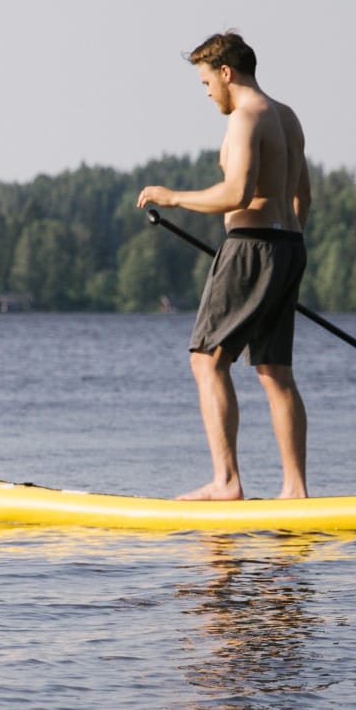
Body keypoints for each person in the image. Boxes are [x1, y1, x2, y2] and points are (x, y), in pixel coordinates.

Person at [137, 31, 311, 500]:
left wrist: (172, 197)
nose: (208, 91)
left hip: (251, 247)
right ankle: (295, 491)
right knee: (274, 371)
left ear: (227, 73)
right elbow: (302, 199)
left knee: (207, 360)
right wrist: (282, 253)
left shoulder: (245, 119)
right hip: (290, 245)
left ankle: (226, 482)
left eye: (206, 81)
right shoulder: (288, 117)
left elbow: (237, 192)